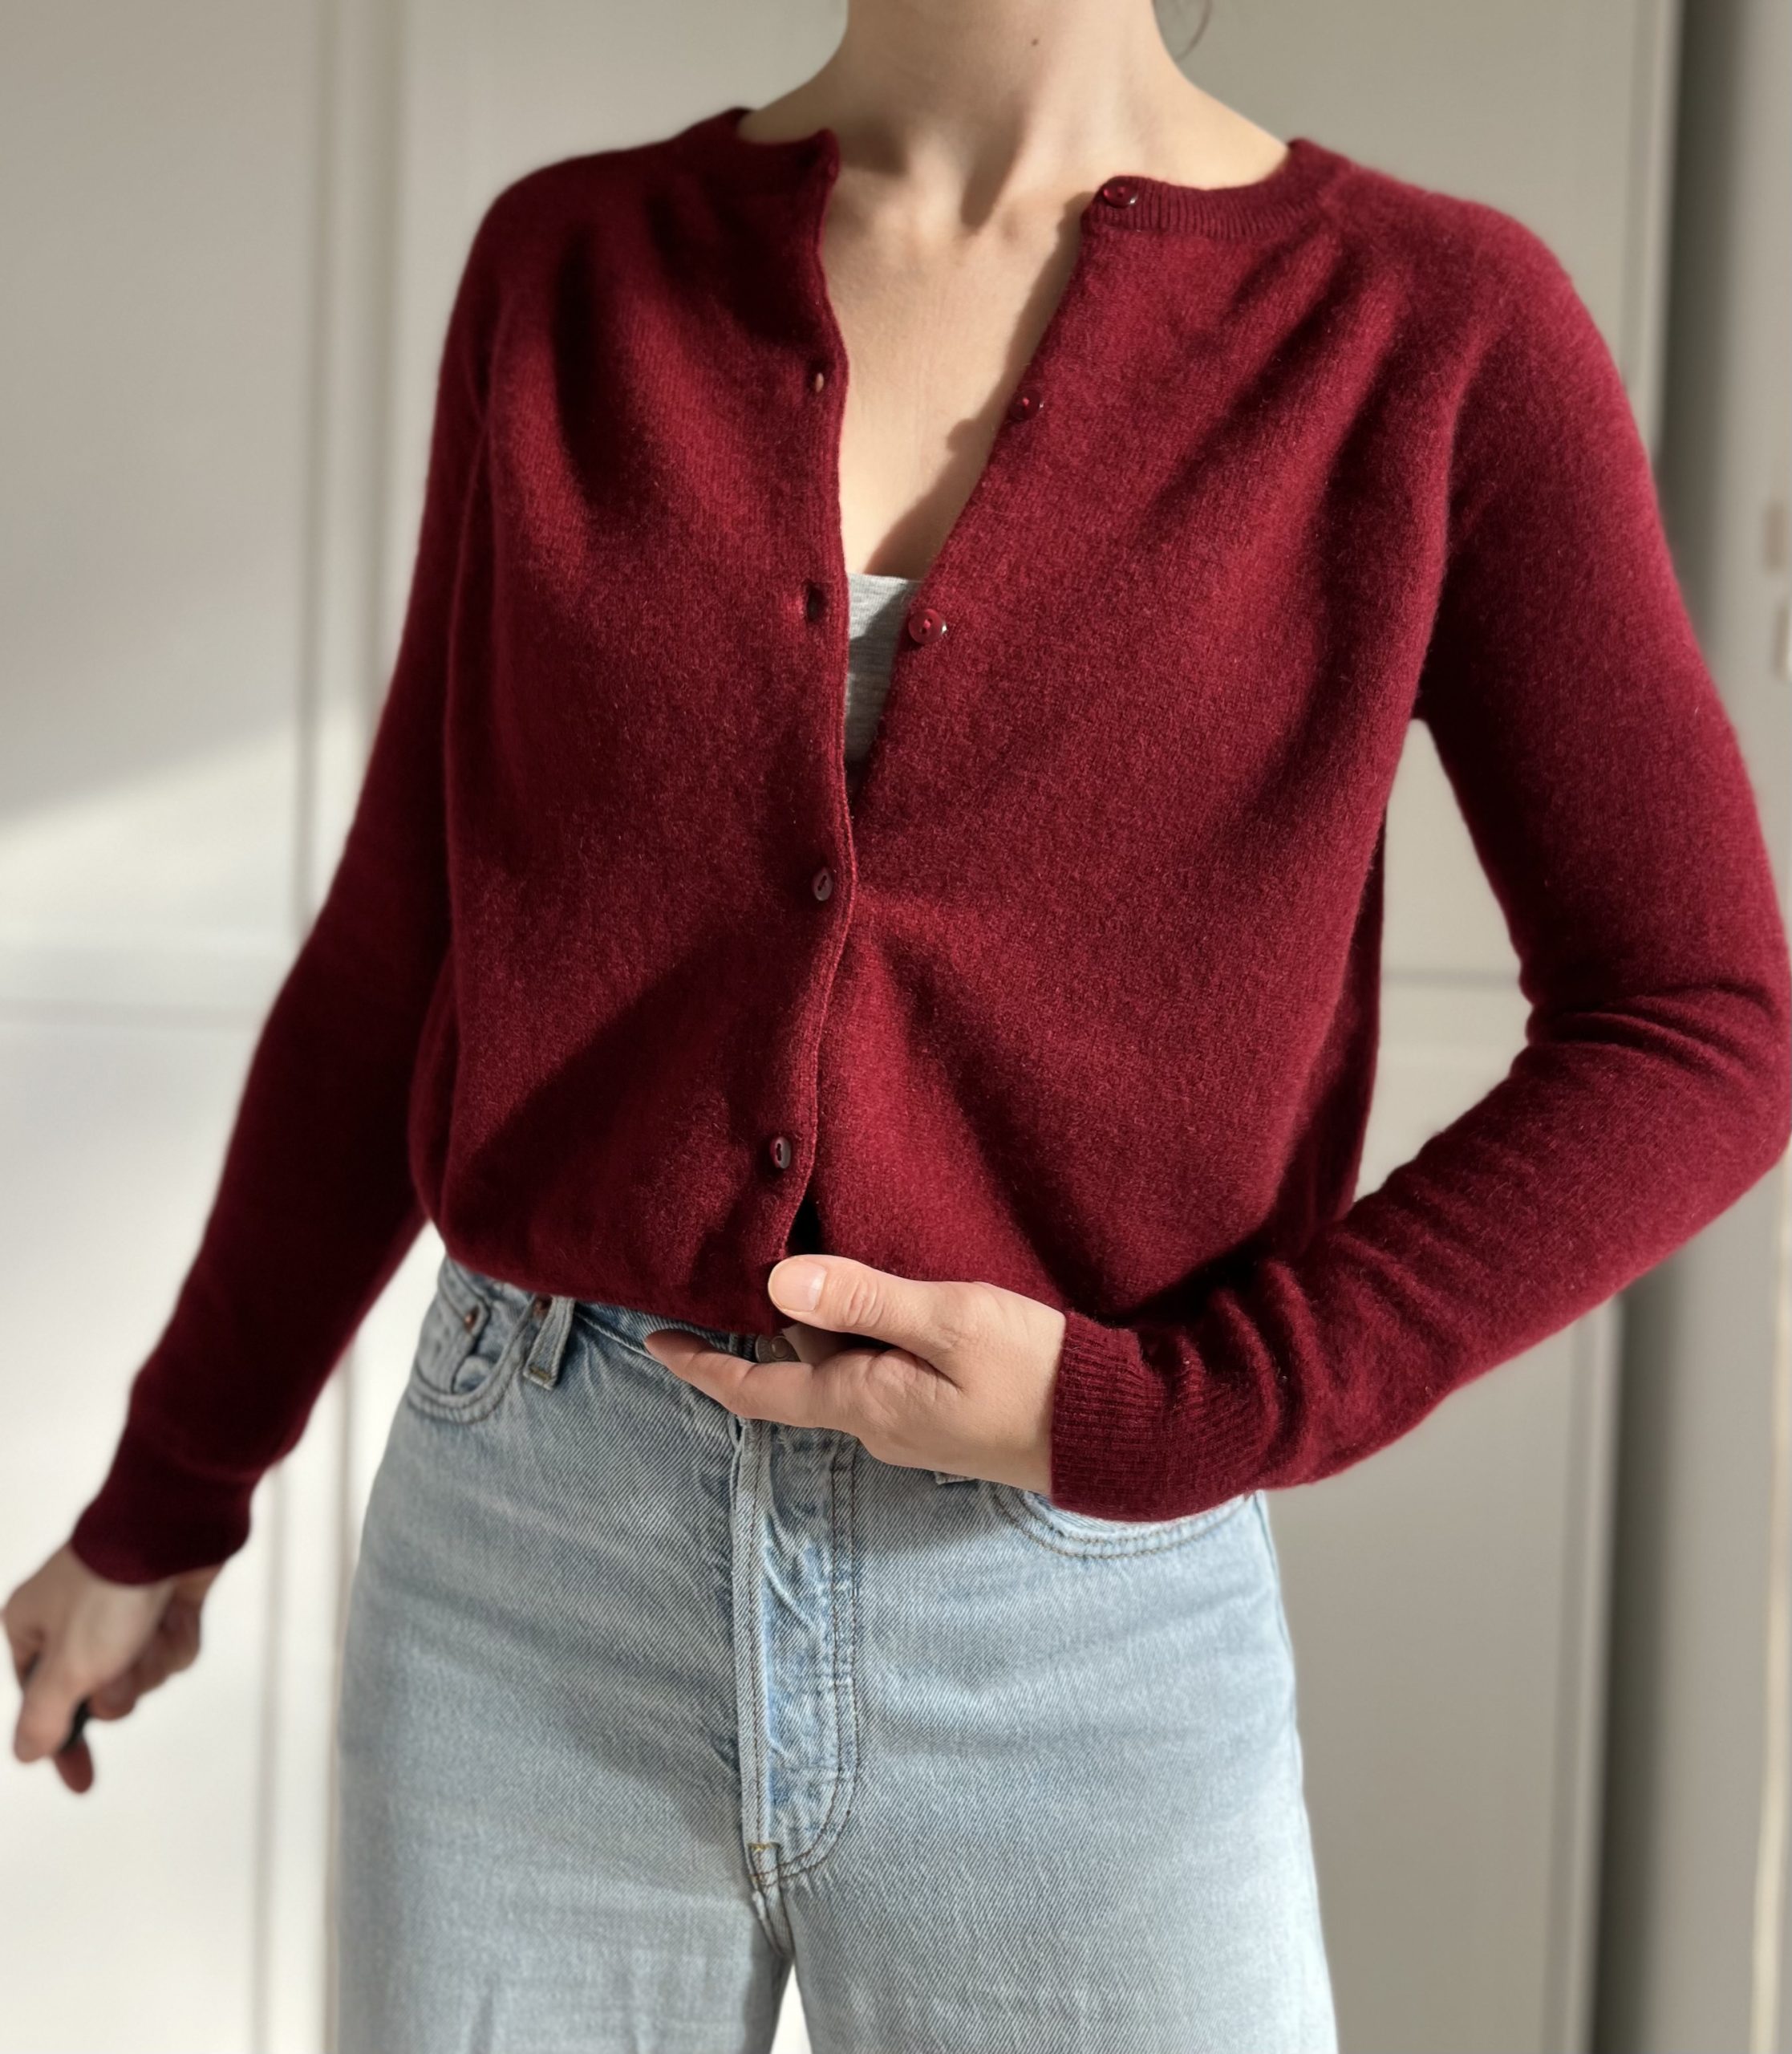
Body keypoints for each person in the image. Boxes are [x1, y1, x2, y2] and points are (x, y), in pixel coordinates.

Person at [9, 0, 1791, 2046]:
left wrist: (1198, 1405)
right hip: (525, 1567)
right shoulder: (572, 271)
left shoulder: (1430, 325)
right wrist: (170, 1487)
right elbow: (403, 952)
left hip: (1077, 1606)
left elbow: (1699, 1019)